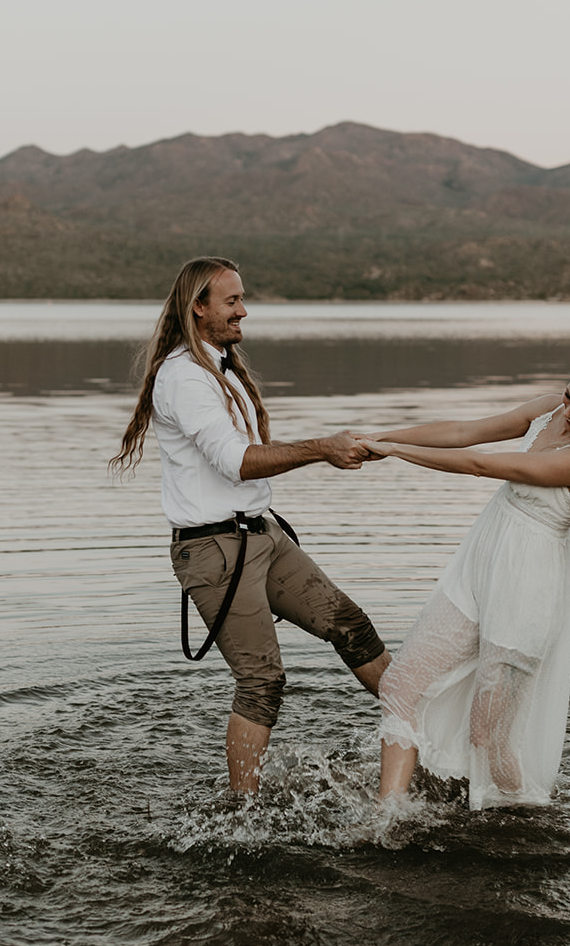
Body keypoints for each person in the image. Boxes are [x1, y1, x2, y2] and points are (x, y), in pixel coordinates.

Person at [110, 256, 390, 793]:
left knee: (350, 625)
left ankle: (429, 732)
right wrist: (322, 449)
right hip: (214, 549)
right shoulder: (185, 377)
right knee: (262, 681)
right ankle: (242, 815)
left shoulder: (219, 366)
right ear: (199, 307)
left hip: (261, 535)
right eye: (232, 301)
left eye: (242, 299)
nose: (245, 311)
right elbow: (236, 460)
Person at [358, 353, 570, 809]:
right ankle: (389, 816)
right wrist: (380, 437)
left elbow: (480, 464)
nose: (569, 411)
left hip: (527, 589)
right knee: (400, 686)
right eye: (568, 396)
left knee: (489, 738)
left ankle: (528, 814)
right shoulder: (552, 408)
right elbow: (465, 432)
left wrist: (397, 453)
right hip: (478, 568)